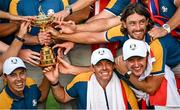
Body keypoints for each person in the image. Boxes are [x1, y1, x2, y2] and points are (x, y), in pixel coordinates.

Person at [43, 48, 138, 109]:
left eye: (108, 63)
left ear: (113, 66)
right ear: (92, 68)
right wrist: (54, 82)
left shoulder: (124, 88)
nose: (104, 68)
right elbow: (63, 97)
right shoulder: (81, 81)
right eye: (99, 64)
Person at [120, 39, 180, 109]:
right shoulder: (122, 72)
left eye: (140, 59)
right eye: (131, 60)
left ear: (147, 57)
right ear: (124, 61)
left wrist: (126, 73)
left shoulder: (162, 77)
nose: (136, 65)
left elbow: (150, 89)